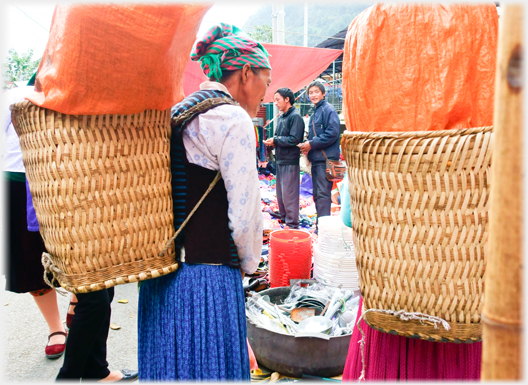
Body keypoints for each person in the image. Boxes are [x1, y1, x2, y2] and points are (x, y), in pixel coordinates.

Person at [137, 23, 271, 381]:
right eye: (265, 82)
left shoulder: (175, 112)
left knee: (171, 367)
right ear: (246, 73)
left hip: (161, 276)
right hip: (208, 281)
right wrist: (248, 262)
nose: (265, 93)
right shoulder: (232, 119)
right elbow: (244, 216)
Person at [2, 83, 67, 360]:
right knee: (30, 259)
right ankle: (56, 328)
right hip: (18, 180)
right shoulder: (15, 95)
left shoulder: (78, 89)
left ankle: (78, 308)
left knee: (81, 252)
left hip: (69, 176)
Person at [298, 80, 340, 232]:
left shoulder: (328, 110)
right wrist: (307, 145)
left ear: (323, 93)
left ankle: (322, 229)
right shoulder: (316, 111)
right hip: (317, 160)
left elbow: (333, 133)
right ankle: (320, 226)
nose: (313, 95)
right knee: (318, 194)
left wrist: (312, 144)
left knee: (322, 194)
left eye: (316, 91)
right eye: (311, 92)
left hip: (325, 160)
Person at [263, 87, 304, 229]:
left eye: (277, 100)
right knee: (280, 193)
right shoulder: (282, 117)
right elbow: (280, 138)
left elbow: (295, 139)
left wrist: (276, 140)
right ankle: (285, 217)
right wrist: (272, 143)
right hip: (280, 159)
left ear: (287, 99)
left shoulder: (295, 117)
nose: (275, 103)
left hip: (290, 161)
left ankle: (292, 223)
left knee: (289, 194)